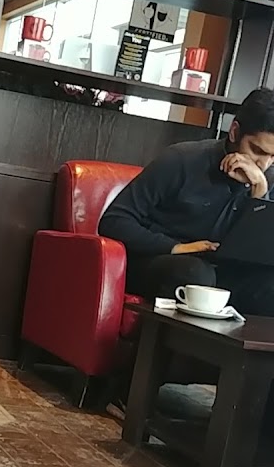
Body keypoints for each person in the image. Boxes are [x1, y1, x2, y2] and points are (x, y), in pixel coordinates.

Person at [99, 87, 274, 317]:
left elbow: (257, 254)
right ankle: (169, 341)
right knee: (196, 276)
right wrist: (177, 248)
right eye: (257, 150)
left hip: (219, 271)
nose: (263, 164)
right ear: (234, 132)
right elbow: (113, 221)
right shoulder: (182, 160)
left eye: (273, 156)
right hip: (161, 262)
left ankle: (236, 342)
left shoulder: (265, 179)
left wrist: (259, 193)